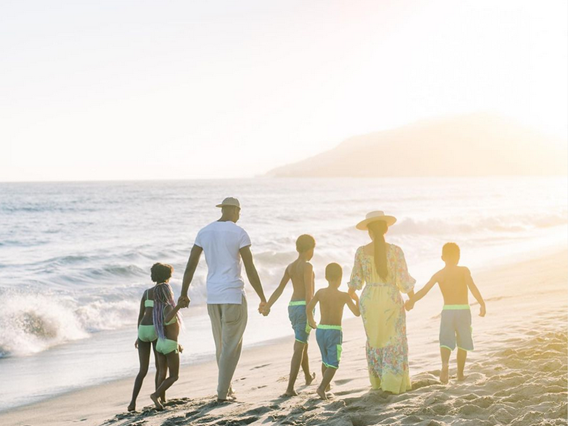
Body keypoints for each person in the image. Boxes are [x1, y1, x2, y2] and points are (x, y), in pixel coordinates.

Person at [178, 197, 267, 402]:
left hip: (213, 296)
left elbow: (190, 265)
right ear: (235, 211)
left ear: (222, 210)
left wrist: (184, 292)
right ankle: (221, 393)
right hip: (233, 295)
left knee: (221, 345)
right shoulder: (239, 232)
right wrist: (262, 297)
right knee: (231, 345)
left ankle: (226, 387)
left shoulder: (204, 232)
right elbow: (250, 268)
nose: (239, 215)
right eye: (239, 211)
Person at [348, 211, 416, 394]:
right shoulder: (395, 251)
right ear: (386, 229)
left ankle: (378, 382)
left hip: (369, 300)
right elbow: (403, 279)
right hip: (391, 299)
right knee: (395, 341)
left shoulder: (361, 252)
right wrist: (412, 297)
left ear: (369, 231)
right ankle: (392, 384)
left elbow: (355, 281)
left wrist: (349, 298)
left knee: (375, 341)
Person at [405, 242, 486, 383]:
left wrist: (411, 301)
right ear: (459, 257)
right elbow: (472, 287)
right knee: (462, 342)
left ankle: (444, 365)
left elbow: (424, 291)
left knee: (445, 340)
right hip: (463, 310)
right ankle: (460, 374)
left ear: (442, 257)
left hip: (448, 311)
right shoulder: (463, 270)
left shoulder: (439, 274)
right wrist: (481, 303)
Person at [262, 234, 316, 396]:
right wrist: (310, 314)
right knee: (299, 346)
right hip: (304, 307)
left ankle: (307, 376)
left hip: (292, 307)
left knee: (302, 341)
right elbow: (308, 293)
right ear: (309, 249)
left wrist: (268, 306)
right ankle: (290, 388)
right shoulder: (308, 266)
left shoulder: (291, 267)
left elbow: (279, 289)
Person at [307, 263, 360, 400]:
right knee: (334, 363)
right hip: (334, 332)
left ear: (325, 277)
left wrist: (311, 320)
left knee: (325, 360)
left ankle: (326, 384)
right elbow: (356, 313)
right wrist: (357, 299)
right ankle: (321, 387)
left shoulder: (320, 292)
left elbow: (309, 308)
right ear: (340, 278)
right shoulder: (344, 296)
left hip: (320, 331)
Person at [127, 262, 168, 412]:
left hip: (143, 329)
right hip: (155, 329)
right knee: (160, 366)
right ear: (167, 276)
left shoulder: (146, 292)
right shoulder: (165, 291)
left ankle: (132, 403)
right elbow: (167, 314)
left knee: (142, 370)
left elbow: (140, 315)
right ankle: (161, 398)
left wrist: (139, 335)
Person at [150, 281, 184, 410]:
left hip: (161, 343)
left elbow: (165, 327)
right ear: (168, 293)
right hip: (169, 344)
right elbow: (167, 320)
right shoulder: (169, 307)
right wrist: (178, 306)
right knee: (174, 376)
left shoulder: (157, 309)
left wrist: (178, 344)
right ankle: (156, 395)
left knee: (161, 373)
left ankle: (162, 400)